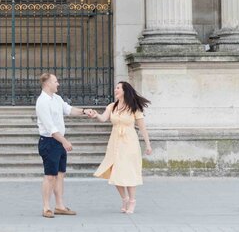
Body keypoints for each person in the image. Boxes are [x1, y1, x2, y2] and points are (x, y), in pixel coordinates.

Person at [85, 81, 153, 214]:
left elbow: (142, 127)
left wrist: (148, 144)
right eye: (115, 88)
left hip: (130, 142)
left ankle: (132, 201)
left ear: (124, 91)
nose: (115, 90)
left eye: (118, 88)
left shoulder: (134, 107)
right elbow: (103, 118)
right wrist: (96, 115)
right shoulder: (112, 106)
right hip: (115, 142)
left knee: (129, 171)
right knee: (115, 170)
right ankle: (125, 198)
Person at [35, 73, 85, 218]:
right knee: (50, 176)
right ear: (47, 83)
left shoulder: (57, 98)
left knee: (60, 174)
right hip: (49, 142)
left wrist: (84, 111)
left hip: (59, 141)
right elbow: (50, 128)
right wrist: (65, 141)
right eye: (55, 81)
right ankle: (46, 207)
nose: (58, 84)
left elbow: (68, 110)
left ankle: (59, 206)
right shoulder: (42, 102)